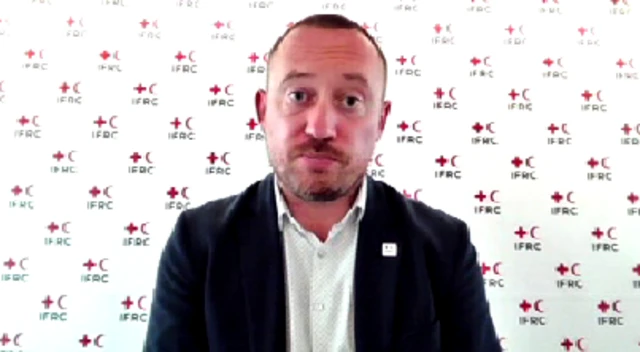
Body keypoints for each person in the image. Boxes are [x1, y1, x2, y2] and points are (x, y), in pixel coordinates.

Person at [144, 13, 501, 352]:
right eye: (299, 96)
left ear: (381, 120)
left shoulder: (444, 248)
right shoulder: (198, 243)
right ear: (264, 112)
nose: (320, 128)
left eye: (350, 100)